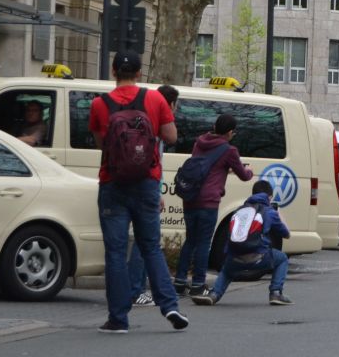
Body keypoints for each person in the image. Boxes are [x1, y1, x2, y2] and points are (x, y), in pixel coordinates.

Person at [89, 51, 188, 334]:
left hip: (113, 184)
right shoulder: (155, 99)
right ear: (139, 73)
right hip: (147, 182)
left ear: (113, 71)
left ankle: (118, 319)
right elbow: (170, 136)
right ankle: (170, 306)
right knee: (151, 247)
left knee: (116, 253)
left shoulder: (99, 104)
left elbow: (102, 144)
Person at [173, 112, 253, 298]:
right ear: (230, 131)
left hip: (190, 197)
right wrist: (249, 172)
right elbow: (243, 175)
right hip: (208, 202)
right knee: (203, 243)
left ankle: (179, 282)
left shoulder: (199, 142)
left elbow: (204, 167)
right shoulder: (229, 150)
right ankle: (199, 285)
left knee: (191, 240)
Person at [193, 179, 291, 306]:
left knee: (227, 271)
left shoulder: (240, 210)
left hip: (234, 259)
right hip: (259, 258)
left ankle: (214, 294)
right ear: (269, 197)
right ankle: (276, 293)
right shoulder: (270, 212)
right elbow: (286, 234)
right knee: (282, 259)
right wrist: (278, 213)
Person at [129, 85, 180, 307]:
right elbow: (154, 164)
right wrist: (156, 193)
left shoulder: (140, 121)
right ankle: (136, 291)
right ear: (168, 105)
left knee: (136, 241)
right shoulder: (157, 129)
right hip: (146, 189)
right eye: (175, 105)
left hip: (129, 186)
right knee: (145, 242)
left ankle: (137, 289)